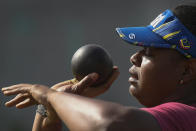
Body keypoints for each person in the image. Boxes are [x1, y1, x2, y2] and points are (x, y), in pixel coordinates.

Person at [2, 3, 196, 131]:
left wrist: (50, 96)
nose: (134, 58)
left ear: (187, 70)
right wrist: (49, 112)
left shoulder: (186, 117)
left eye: (148, 53)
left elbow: (109, 125)